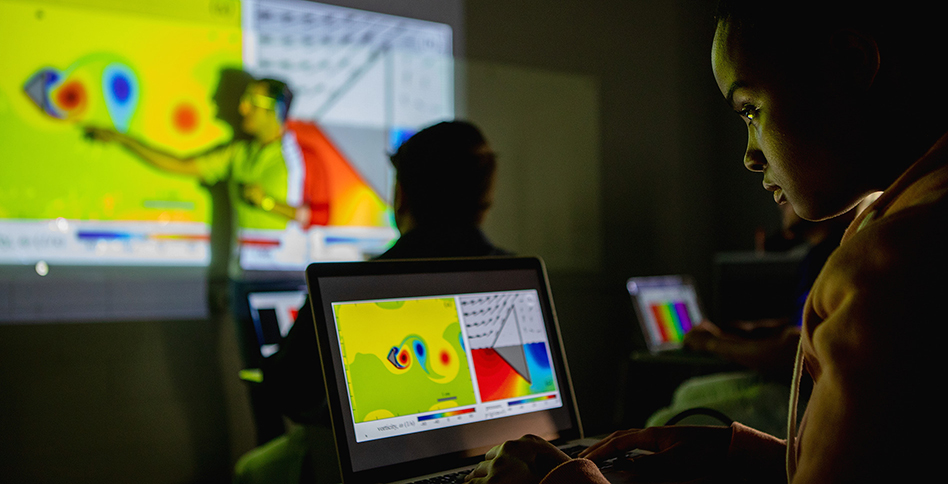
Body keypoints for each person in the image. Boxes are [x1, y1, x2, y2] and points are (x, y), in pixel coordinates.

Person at [463, 1, 948, 483]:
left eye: (751, 110)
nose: (750, 156)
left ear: (851, 65)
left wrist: (568, 481)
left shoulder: (889, 265)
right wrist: (741, 457)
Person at [234, 120, 509, 484]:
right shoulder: (513, 274)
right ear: (483, 200)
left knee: (250, 470)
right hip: (499, 461)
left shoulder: (351, 285)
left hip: (376, 467)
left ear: (402, 195)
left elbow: (290, 389)